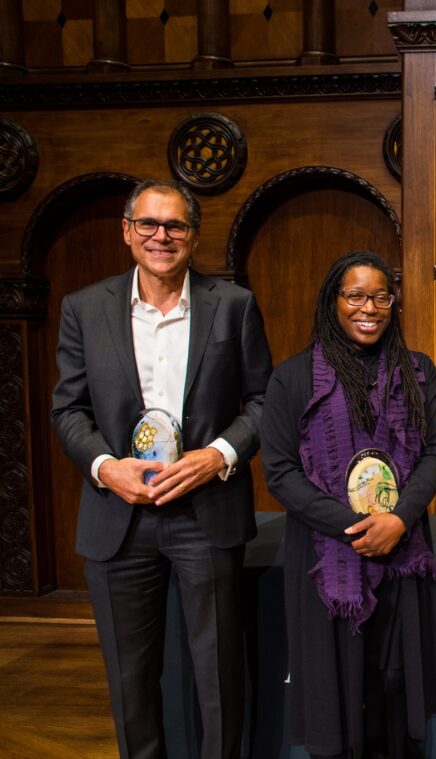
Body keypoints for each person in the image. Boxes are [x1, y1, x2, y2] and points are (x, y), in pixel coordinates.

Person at [51, 178, 272, 758]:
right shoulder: (83, 308)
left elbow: (264, 402)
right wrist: (104, 467)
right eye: (148, 224)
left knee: (220, 677)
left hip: (207, 513)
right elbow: (67, 408)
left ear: (193, 236)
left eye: (174, 226)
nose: (161, 236)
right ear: (127, 232)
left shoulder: (234, 304)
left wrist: (215, 457)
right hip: (119, 518)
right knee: (131, 682)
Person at [260, 251, 436, 758]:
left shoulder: (418, 371)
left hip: (403, 556)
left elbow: (435, 453)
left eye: (381, 296)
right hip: (326, 558)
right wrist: (358, 526)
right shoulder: (293, 378)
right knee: (335, 698)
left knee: (393, 685)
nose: (370, 308)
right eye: (355, 295)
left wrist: (399, 519)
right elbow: (279, 472)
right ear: (333, 301)